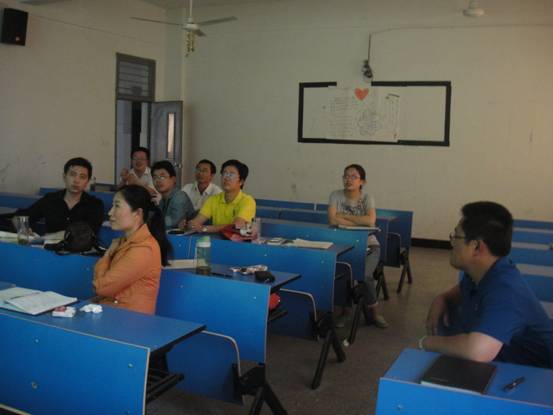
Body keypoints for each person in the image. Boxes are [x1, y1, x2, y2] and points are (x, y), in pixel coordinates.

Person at [422, 201, 553, 368]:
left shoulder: (506, 290)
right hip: (501, 364)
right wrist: (441, 298)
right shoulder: (480, 274)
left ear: (476, 247)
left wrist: (427, 342)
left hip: (533, 376)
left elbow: (477, 351)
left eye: (456, 237)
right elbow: (458, 293)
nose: (452, 243)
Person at [93, 185, 171, 315]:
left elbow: (101, 287)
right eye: (112, 206)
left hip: (131, 320)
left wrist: (108, 254)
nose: (110, 212)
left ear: (137, 213)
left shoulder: (144, 249)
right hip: (112, 311)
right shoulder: (124, 242)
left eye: (117, 206)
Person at [327, 164, 388, 329]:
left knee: (364, 275)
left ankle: (374, 313)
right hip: (343, 245)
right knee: (343, 273)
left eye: (353, 176)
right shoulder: (335, 195)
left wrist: (343, 216)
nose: (349, 179)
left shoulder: (367, 198)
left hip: (369, 245)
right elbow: (332, 220)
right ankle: (346, 312)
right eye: (346, 176)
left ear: (362, 181)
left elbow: (370, 221)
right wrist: (359, 222)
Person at [15, 157, 104, 234]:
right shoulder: (50, 200)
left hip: (80, 249)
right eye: (72, 174)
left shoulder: (95, 205)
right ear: (64, 177)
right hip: (50, 247)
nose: (76, 180)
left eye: (82, 177)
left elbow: (89, 234)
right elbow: (21, 216)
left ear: (87, 181)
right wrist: (23, 229)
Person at [185, 159, 255, 233]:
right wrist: (190, 225)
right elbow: (196, 222)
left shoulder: (248, 201)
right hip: (215, 238)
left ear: (241, 181)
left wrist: (205, 228)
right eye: (224, 173)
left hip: (236, 240)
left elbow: (236, 226)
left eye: (231, 175)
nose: (226, 178)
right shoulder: (213, 199)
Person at [151, 160, 194, 229]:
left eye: (162, 177)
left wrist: (150, 221)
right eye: (155, 177)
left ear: (173, 179)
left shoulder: (180, 197)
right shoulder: (163, 200)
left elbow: (173, 222)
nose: (158, 180)